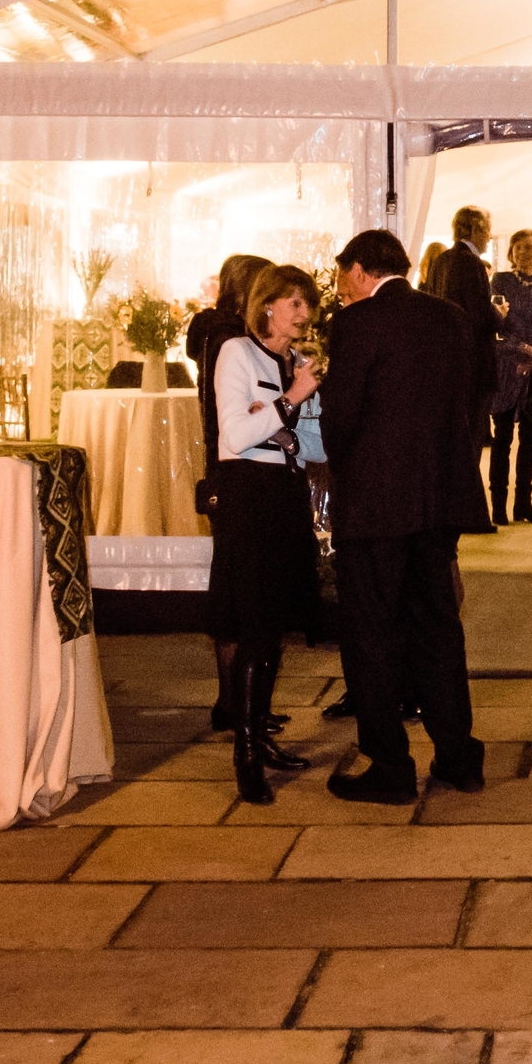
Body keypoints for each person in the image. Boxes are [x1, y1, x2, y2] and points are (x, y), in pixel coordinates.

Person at [315, 229, 492, 802]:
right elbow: (471, 395)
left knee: (371, 631)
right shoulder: (448, 318)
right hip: (438, 497)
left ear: (362, 271)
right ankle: (458, 755)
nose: (342, 289)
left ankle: (390, 764)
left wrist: (345, 471)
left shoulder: (357, 323)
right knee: (437, 625)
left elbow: (340, 419)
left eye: (344, 277)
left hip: (375, 504)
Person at [205, 262, 325, 802]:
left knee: (274, 624)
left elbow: (308, 445)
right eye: (296, 304)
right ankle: (246, 753)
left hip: (284, 493)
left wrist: (284, 427)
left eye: (308, 305)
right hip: (246, 495)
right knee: (253, 622)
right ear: (268, 305)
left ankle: (261, 739)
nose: (305, 315)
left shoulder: (294, 362)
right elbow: (234, 432)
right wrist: (288, 401)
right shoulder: (237, 352)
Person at [188, 251, 269, 734]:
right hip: (235, 470)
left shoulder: (222, 335)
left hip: (230, 468)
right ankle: (235, 703)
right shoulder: (229, 339)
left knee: (242, 591)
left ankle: (240, 700)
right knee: (238, 595)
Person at [487, 228, 532, 525]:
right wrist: (527, 351)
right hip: (506, 368)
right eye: (518, 247)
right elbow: (497, 329)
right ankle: (499, 506)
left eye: (529, 248)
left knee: (530, 440)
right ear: (511, 252)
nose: (524, 252)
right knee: (502, 439)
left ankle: (523, 504)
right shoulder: (500, 281)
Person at [423, 204, 502, 424]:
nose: (490, 236)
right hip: (473, 363)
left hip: (447, 361)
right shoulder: (472, 263)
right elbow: (480, 314)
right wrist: (499, 315)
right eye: (487, 230)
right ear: (474, 230)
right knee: (472, 433)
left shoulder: (442, 260)